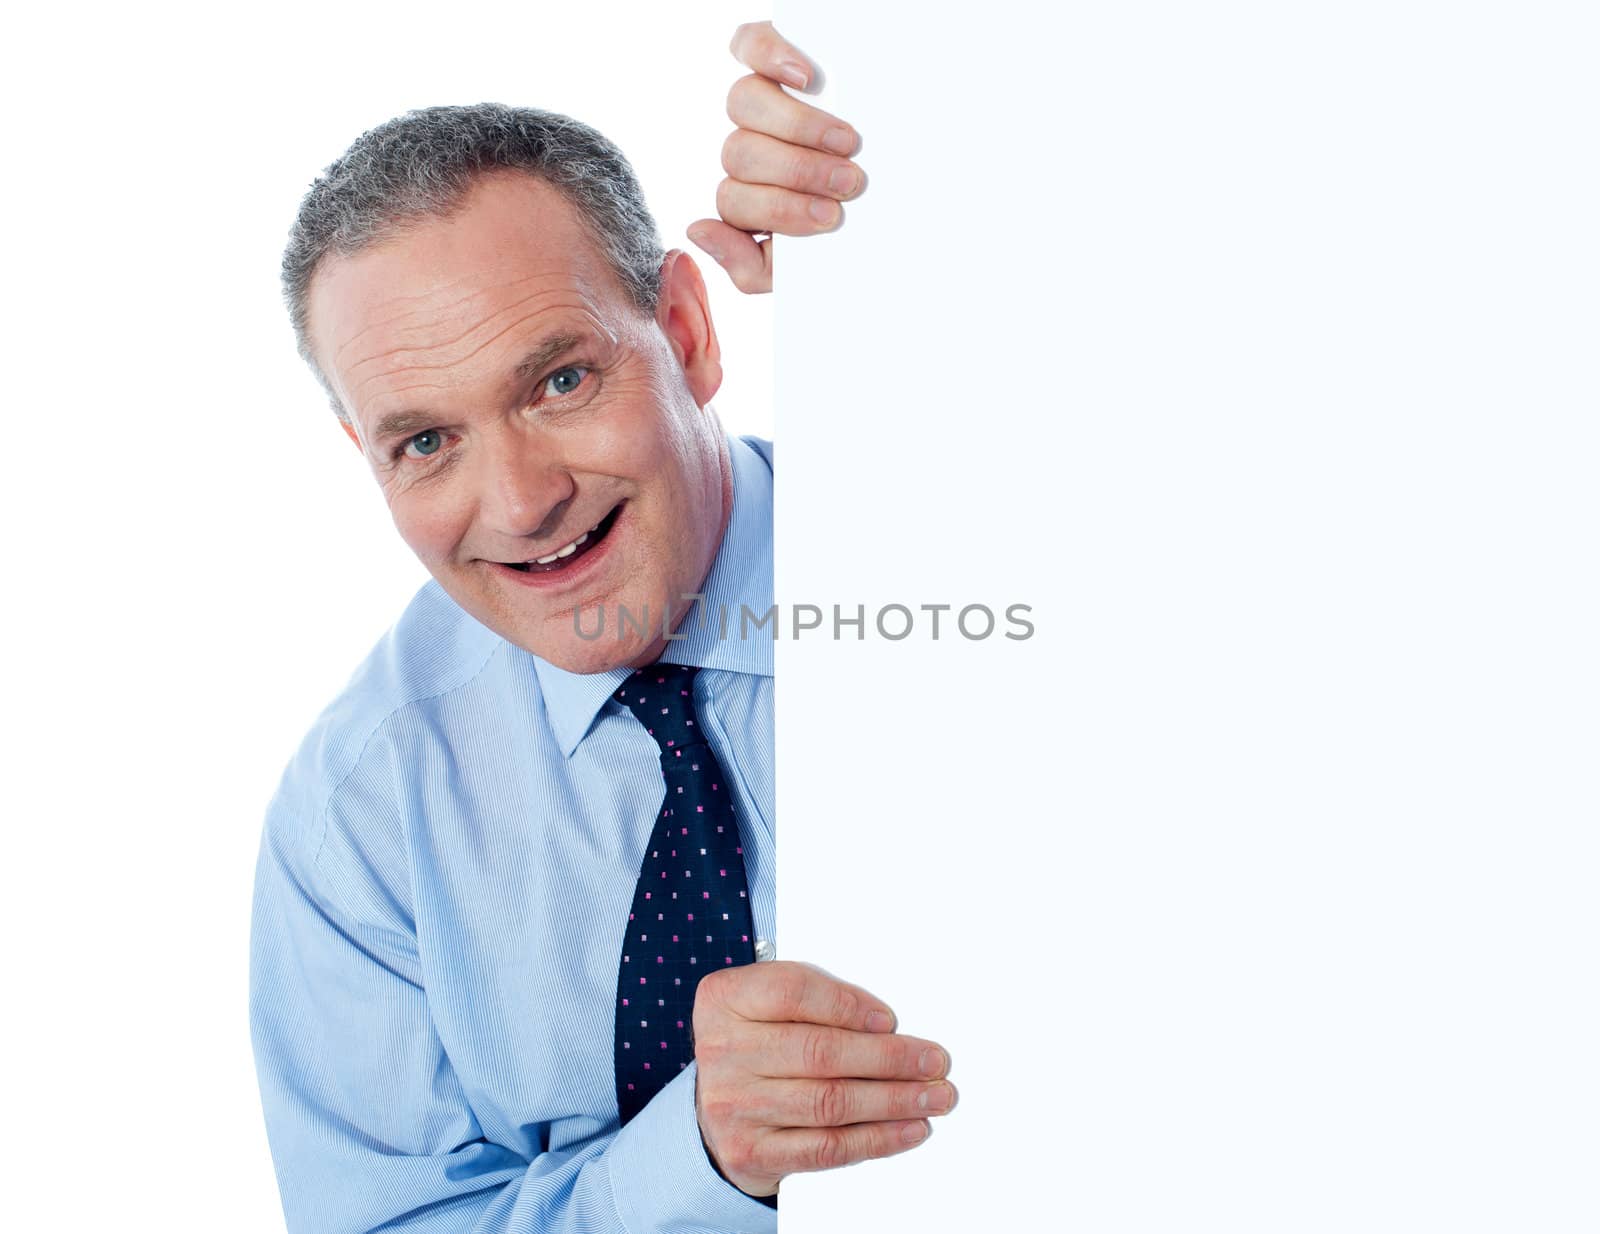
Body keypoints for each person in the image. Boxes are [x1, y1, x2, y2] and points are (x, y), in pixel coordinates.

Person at [249, 22, 957, 1234]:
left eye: (560, 381)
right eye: (426, 442)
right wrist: (698, 1163)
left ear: (684, 333)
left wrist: (937, 233)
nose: (522, 503)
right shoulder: (360, 820)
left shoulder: (964, 558)